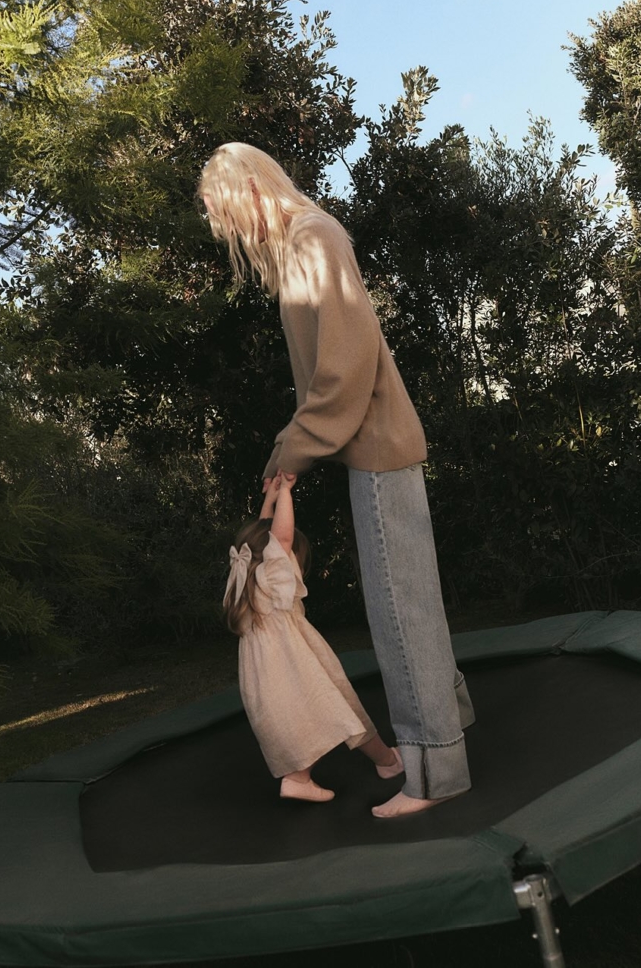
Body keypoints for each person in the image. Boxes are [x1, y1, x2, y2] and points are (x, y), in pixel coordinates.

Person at [199, 141, 475, 818]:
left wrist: (293, 451)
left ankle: (434, 776)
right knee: (412, 605)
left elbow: (344, 368)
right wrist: (291, 448)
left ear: (251, 190)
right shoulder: (305, 241)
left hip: (376, 449)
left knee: (400, 615)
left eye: (227, 212)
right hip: (370, 448)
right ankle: (448, 730)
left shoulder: (314, 237)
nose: (231, 229)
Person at [224, 470, 404, 802]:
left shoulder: (246, 578)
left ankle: (380, 762)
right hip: (296, 664)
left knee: (319, 717)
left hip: (268, 676)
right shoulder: (273, 574)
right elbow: (281, 538)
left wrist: (269, 499)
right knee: (337, 710)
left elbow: (262, 540)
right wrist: (287, 492)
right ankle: (370, 765)